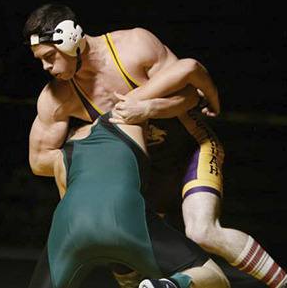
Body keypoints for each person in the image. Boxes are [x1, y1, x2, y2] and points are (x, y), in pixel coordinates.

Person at [24, 3, 287, 288]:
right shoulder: (57, 97)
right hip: (142, 171)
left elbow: (192, 95)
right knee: (124, 260)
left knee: (203, 232)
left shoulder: (133, 46)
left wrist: (149, 107)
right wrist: (91, 138)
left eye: (50, 57)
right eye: (41, 59)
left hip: (188, 147)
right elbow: (40, 161)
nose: (46, 67)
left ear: (70, 40)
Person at [29, 110, 230, 288]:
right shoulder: (124, 120)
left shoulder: (59, 161)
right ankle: (171, 285)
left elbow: (68, 201)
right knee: (214, 276)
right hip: (127, 221)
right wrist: (206, 98)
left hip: (70, 230)